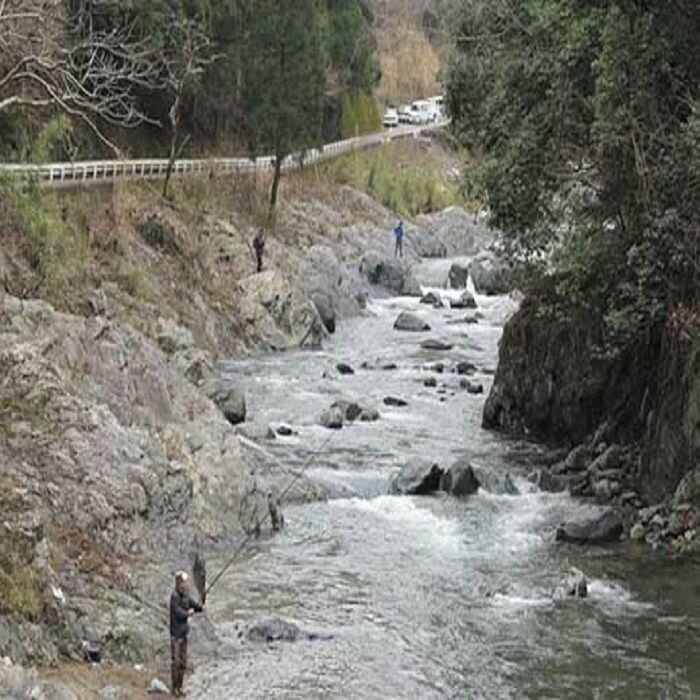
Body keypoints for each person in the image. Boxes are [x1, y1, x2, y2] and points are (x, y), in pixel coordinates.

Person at [170, 571, 204, 697]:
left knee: (183, 663)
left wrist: (200, 607)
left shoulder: (185, 596)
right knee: (176, 662)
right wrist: (188, 613)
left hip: (184, 634)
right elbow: (179, 613)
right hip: (175, 636)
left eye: (187, 582)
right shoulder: (174, 597)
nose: (187, 584)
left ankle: (180, 687)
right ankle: (174, 689)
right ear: (179, 583)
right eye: (184, 582)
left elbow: (194, 605)